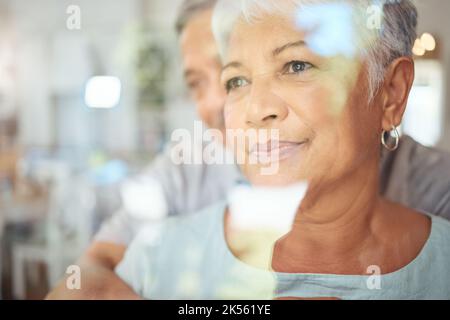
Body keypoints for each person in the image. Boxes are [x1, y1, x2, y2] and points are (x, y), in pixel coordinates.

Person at [47, 0, 450, 299]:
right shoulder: (168, 229)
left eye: (296, 66)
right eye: (235, 80)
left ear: (392, 93)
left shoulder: (434, 196)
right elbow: (87, 276)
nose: (249, 110)